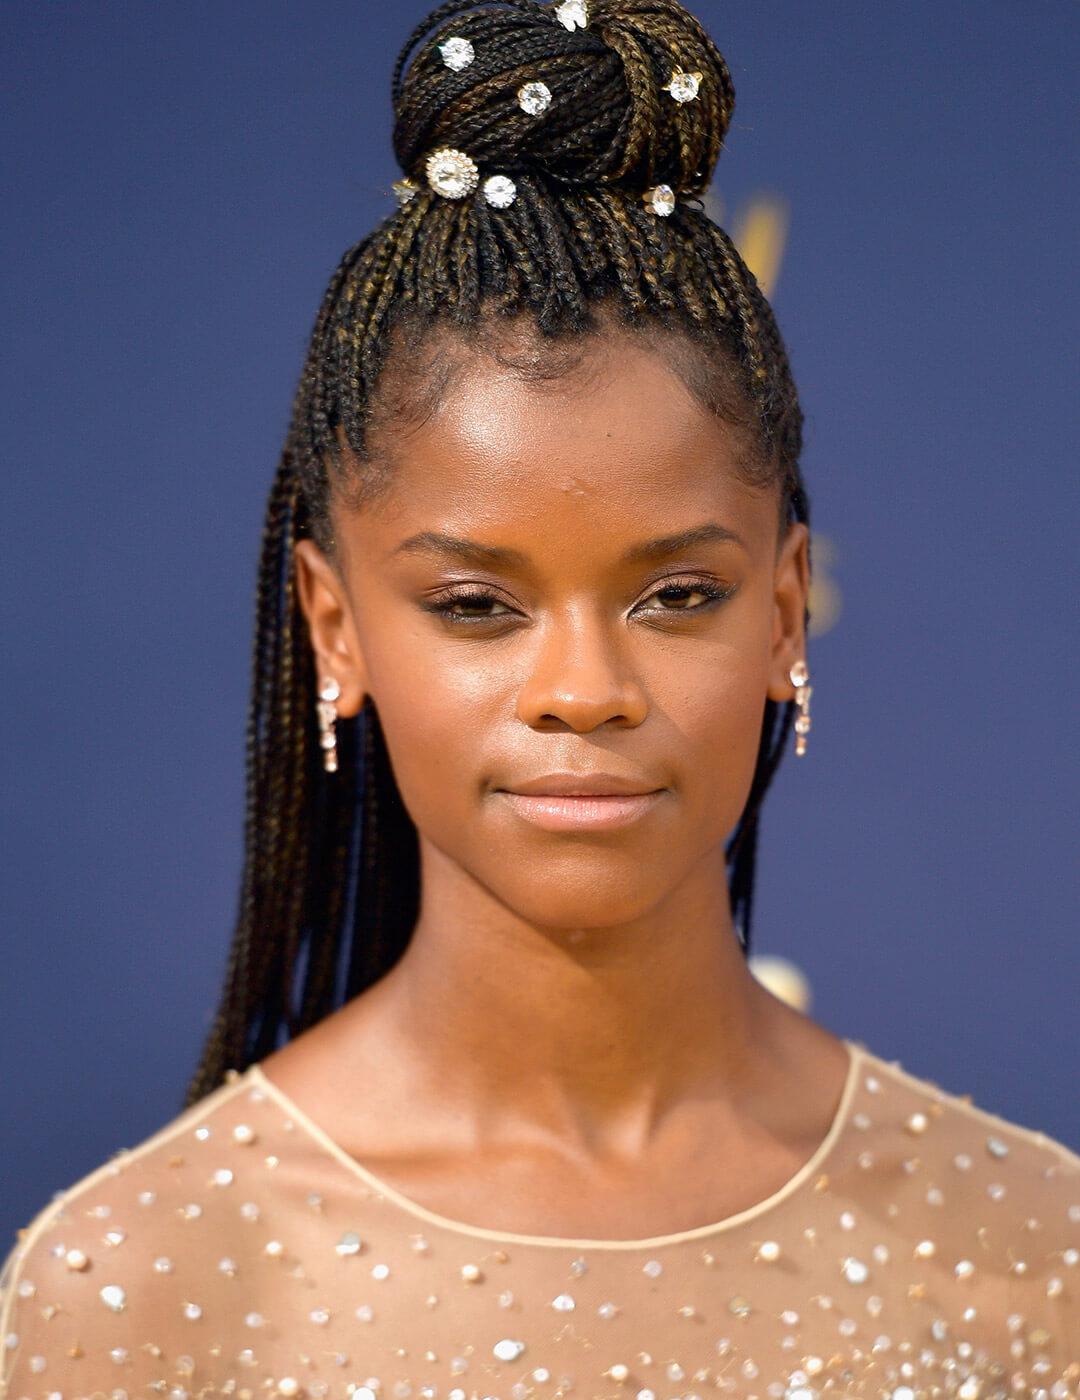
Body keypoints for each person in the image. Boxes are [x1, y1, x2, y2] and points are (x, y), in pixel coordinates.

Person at [2, 1, 1077, 1396]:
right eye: (475, 607)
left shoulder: (1028, 1258)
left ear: (785, 609)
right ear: (337, 627)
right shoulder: (142, 1289)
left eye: (677, 595)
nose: (583, 690)